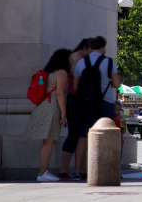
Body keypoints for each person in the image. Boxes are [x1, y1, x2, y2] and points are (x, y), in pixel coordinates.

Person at [73, 36, 121, 180]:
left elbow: (75, 87)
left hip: (86, 104)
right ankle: (107, 169)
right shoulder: (108, 62)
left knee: (82, 137)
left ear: (91, 47)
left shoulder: (81, 63)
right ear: (103, 48)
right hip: (105, 103)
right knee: (107, 136)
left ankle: (76, 171)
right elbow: (117, 84)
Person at [25, 48, 71, 181]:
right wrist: (64, 113)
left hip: (44, 106)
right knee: (49, 141)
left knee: (47, 141)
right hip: (53, 108)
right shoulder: (62, 72)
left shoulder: (50, 72)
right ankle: (43, 173)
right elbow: (60, 93)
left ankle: (44, 172)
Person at [58, 39, 91, 180]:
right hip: (75, 98)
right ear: (85, 48)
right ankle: (64, 169)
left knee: (83, 135)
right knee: (74, 135)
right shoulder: (77, 57)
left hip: (81, 99)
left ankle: (82, 169)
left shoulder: (83, 57)